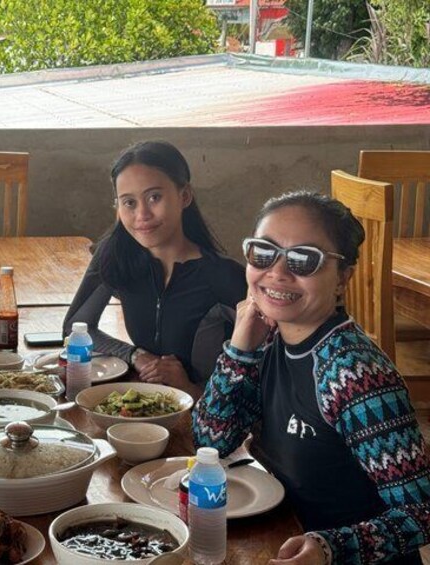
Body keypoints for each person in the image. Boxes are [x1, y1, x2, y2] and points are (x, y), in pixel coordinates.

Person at [193, 191, 430, 564]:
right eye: (263, 252)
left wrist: (330, 548)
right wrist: (239, 351)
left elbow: (422, 513)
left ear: (342, 277)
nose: (277, 272)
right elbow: (211, 441)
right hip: (278, 539)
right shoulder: (269, 338)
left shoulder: (353, 374)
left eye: (304, 259)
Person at [63, 141, 246, 399]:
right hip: (141, 406)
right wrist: (135, 355)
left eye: (154, 197)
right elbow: (75, 328)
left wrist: (190, 388)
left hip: (202, 416)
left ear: (185, 196)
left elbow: (264, 376)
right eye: (129, 202)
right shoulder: (116, 253)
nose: (142, 214)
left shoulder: (224, 276)